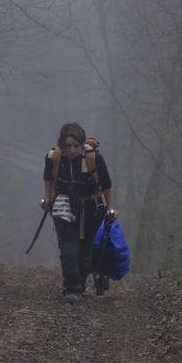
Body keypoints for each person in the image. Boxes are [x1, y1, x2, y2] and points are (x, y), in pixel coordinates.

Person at [42, 122, 119, 303]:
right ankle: (71, 286)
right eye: (68, 146)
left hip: (91, 207)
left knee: (86, 248)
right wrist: (48, 198)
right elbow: (48, 178)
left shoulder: (94, 159)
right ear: (61, 144)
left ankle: (81, 281)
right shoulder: (53, 158)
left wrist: (110, 208)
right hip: (63, 204)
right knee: (68, 247)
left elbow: (107, 185)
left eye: (76, 146)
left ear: (82, 144)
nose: (72, 150)